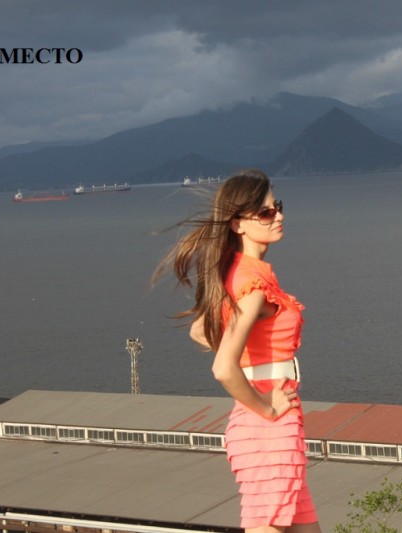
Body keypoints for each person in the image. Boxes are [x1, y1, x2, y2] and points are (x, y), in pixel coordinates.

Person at [156, 168, 321, 533]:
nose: (278, 216)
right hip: (267, 426)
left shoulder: (240, 273)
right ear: (237, 224)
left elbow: (200, 331)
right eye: (265, 212)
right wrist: (266, 407)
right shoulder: (252, 285)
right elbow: (222, 368)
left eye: (277, 206)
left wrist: (249, 358)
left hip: (272, 423)